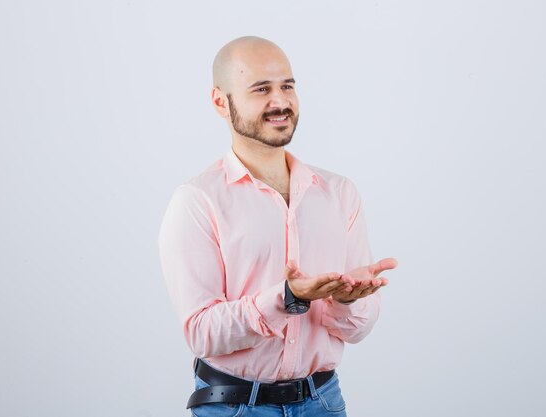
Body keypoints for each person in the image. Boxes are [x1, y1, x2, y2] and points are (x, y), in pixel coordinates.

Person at [158, 36, 397, 417]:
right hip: (235, 407)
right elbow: (201, 332)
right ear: (221, 101)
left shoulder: (339, 193)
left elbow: (358, 331)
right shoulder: (197, 201)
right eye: (261, 89)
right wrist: (287, 298)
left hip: (324, 402)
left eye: (287, 86)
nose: (280, 101)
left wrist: (348, 299)